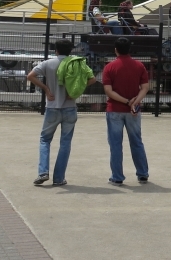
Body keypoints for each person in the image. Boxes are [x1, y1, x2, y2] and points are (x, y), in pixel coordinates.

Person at [28, 39, 88, 187]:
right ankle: (59, 178)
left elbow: (30, 76)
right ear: (71, 51)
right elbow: (91, 79)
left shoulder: (48, 63)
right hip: (70, 107)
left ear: (56, 50)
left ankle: (43, 172)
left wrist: (46, 89)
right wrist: (76, 90)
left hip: (52, 107)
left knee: (45, 139)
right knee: (65, 142)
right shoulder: (77, 63)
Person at [101, 37, 150, 186]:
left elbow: (108, 91)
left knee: (115, 144)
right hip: (133, 110)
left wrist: (126, 101)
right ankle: (142, 174)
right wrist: (135, 102)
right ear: (130, 49)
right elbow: (145, 87)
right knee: (136, 142)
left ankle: (117, 176)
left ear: (115, 50)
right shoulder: (139, 66)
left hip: (115, 109)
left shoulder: (109, 67)